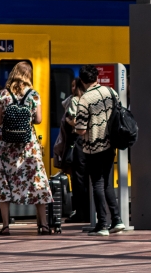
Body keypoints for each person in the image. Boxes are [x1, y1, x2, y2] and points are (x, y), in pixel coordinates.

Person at [0, 62, 53, 236]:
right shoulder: (34, 95)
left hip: (6, 146)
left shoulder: (4, 95)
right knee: (37, 180)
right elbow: (38, 120)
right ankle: (43, 225)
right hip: (28, 146)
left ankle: (5, 226)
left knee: (5, 182)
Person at [73, 65, 123, 236]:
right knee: (107, 182)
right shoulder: (111, 92)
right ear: (97, 77)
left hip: (94, 146)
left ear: (82, 81)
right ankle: (117, 220)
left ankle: (102, 224)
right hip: (111, 144)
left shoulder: (85, 99)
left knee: (97, 183)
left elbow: (81, 129)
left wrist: (74, 125)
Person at [62, 78, 90, 223]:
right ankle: (88, 211)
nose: (72, 88)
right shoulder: (88, 99)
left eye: (74, 86)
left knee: (78, 179)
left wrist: (68, 120)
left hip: (77, 142)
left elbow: (74, 121)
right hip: (87, 144)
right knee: (86, 179)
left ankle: (80, 212)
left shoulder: (74, 101)